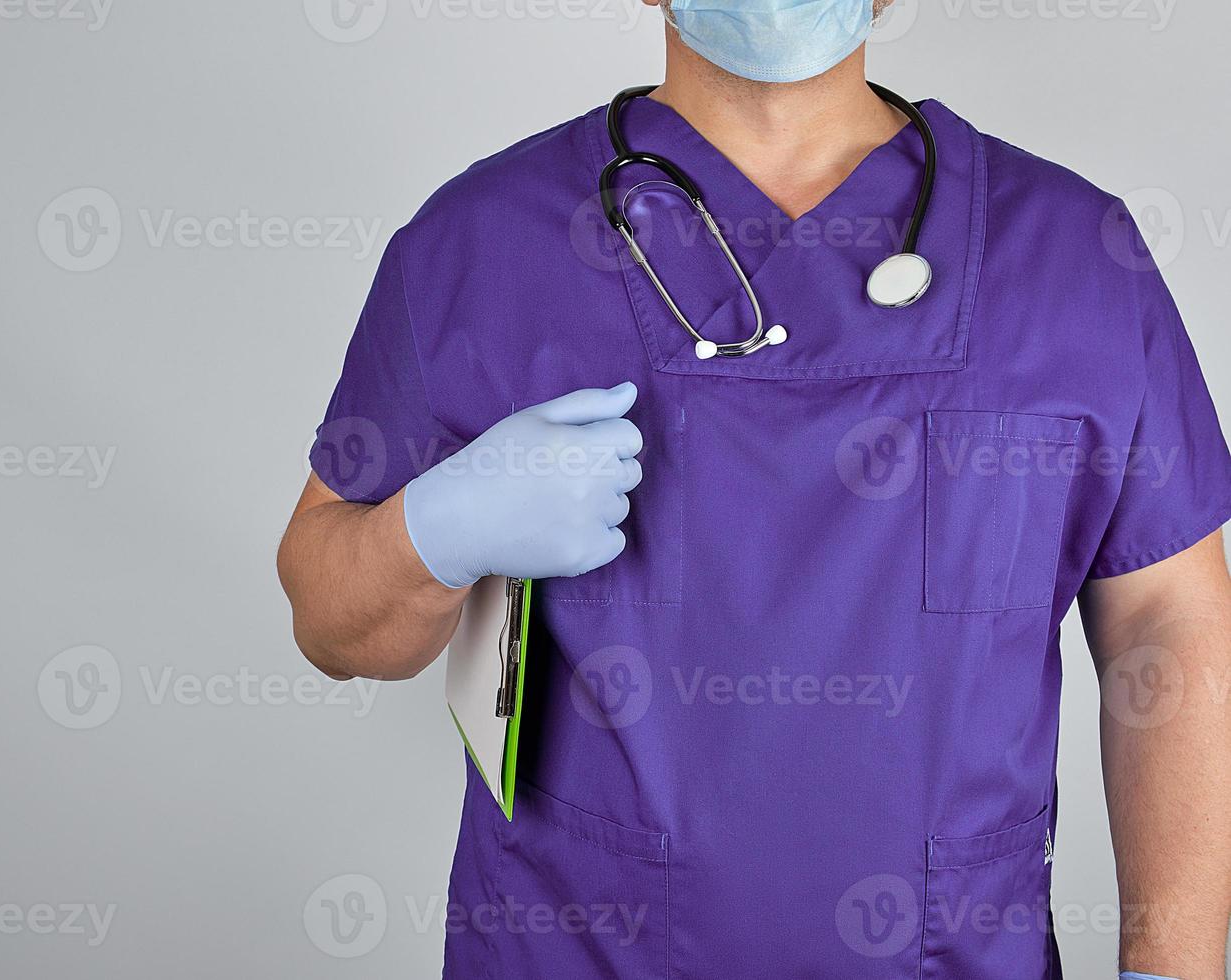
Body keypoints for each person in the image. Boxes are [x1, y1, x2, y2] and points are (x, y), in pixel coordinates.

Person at [277, 1, 1231, 976]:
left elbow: (1167, 613)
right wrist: (437, 530)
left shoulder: (1071, 254)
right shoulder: (484, 246)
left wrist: (1171, 968)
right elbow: (331, 618)